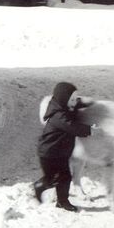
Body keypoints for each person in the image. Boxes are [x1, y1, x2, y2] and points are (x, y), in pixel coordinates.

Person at [33, 82, 94, 212]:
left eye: (75, 98)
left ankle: (62, 201)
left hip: (61, 153)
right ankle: (39, 186)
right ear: (63, 100)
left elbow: (76, 104)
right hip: (49, 154)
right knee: (53, 178)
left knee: (65, 177)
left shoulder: (65, 106)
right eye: (72, 99)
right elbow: (72, 127)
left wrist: (87, 103)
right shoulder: (58, 116)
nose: (74, 102)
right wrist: (89, 130)